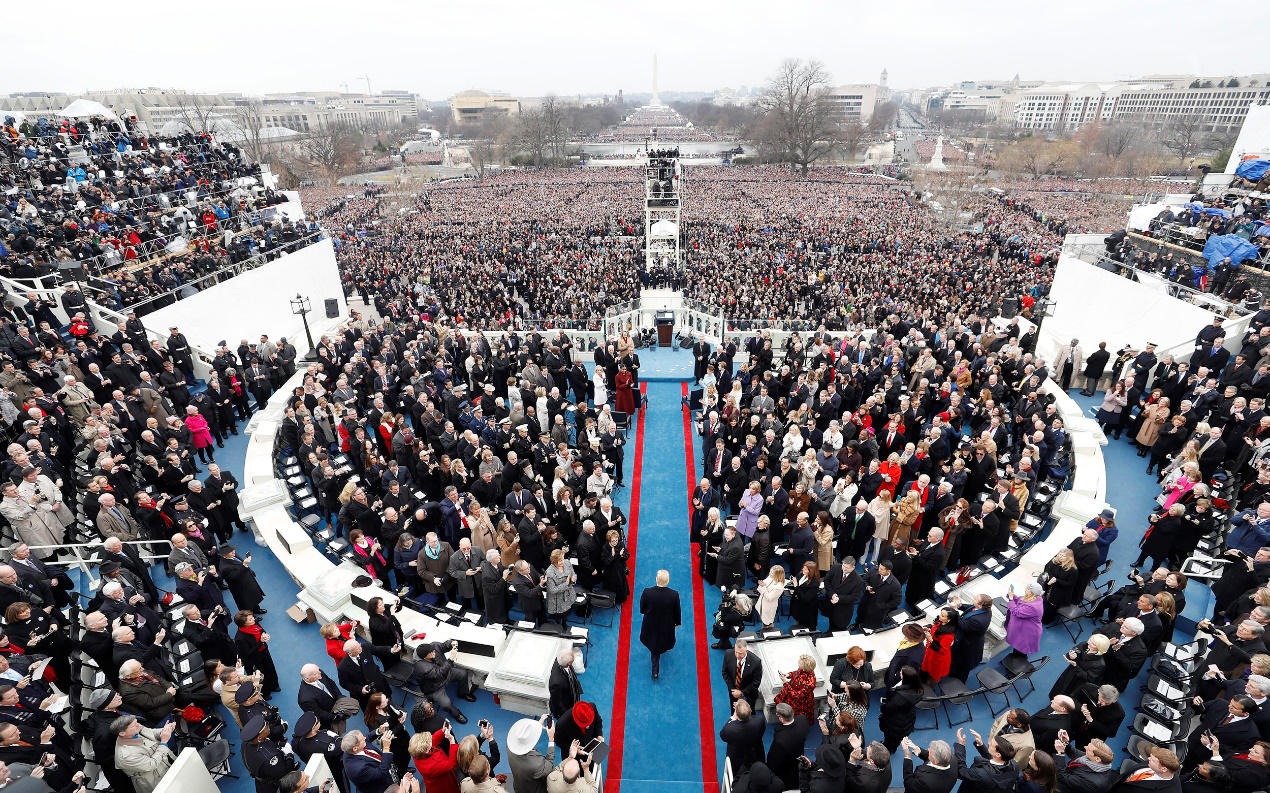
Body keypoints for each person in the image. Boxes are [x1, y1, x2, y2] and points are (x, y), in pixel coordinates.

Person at [112, 715, 176, 793]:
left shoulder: (134, 729)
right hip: (155, 780)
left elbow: (150, 732)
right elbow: (152, 764)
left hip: (165, 765)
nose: (138, 725)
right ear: (122, 733)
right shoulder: (126, 756)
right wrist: (164, 742)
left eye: (136, 722)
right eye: (133, 726)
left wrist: (165, 730)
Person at [638, 569, 680, 681]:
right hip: (667, 624)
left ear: (657, 579)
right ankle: (658, 655)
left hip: (650, 624)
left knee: (653, 647)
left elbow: (642, 608)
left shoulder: (647, 592)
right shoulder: (674, 595)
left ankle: (655, 670)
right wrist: (677, 622)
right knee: (662, 642)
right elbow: (677, 611)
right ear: (668, 581)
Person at [954, 728, 1018, 793]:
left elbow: (961, 771)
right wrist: (981, 744)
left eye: (991, 744)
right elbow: (994, 760)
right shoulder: (1014, 765)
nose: (989, 743)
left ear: (998, 754)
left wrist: (961, 745)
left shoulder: (980, 774)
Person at [766, 702, 810, 791]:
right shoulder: (803, 720)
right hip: (799, 754)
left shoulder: (780, 740)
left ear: (781, 718)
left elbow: (774, 761)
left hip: (787, 766)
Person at [1049, 635, 1109, 700]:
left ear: (1099, 648)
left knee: (1067, 695)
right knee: (1060, 687)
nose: (1089, 643)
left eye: (1093, 644)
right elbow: (1073, 651)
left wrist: (1075, 666)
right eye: (1090, 640)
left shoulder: (1099, 664)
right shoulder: (1083, 644)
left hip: (1078, 682)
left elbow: (1089, 678)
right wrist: (1071, 656)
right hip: (1069, 674)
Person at [507, 717, 556, 793]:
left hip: (519, 785)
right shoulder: (535, 765)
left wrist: (537, 726)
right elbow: (549, 764)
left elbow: (524, 737)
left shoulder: (510, 745)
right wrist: (551, 739)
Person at [880, 665, 923, 753]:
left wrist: (883, 706)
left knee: (889, 738)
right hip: (908, 718)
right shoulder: (918, 689)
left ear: (904, 677)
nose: (899, 674)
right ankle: (894, 749)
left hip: (895, 722)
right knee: (898, 738)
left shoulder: (900, 696)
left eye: (901, 673)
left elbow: (888, 708)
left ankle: (887, 749)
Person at [720, 698, 766, 775]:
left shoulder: (729, 728)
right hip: (755, 752)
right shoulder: (760, 720)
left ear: (736, 714)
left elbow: (723, 736)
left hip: (738, 756)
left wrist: (733, 717)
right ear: (750, 710)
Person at [342, 729, 397, 793]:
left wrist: (379, 730)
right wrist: (386, 747)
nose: (365, 738)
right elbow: (381, 773)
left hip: (387, 774)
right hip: (381, 788)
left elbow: (367, 737)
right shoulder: (358, 769)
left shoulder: (352, 748)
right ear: (355, 748)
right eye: (362, 740)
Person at [1005, 582, 1045, 663]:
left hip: (1027, 634)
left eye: (1028, 589)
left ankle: (1017, 668)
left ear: (1031, 592)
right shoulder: (1033, 598)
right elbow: (1021, 601)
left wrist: (1011, 600)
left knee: (1021, 650)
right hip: (1022, 630)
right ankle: (1015, 661)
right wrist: (1013, 596)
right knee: (1017, 648)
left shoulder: (1033, 607)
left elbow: (1016, 612)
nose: (1025, 589)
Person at [773, 654, 818, 722]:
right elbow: (796, 673)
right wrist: (788, 675)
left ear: (805, 667)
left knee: (794, 717)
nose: (798, 662)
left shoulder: (810, 683)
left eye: (799, 662)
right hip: (790, 694)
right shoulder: (804, 669)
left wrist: (786, 683)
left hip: (799, 703)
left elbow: (797, 696)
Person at [921, 607, 957, 683]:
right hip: (931, 652)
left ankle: (930, 690)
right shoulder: (940, 622)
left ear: (949, 620)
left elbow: (942, 650)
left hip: (937, 658)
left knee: (933, 676)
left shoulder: (949, 635)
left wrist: (930, 639)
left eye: (943, 616)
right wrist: (929, 630)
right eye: (941, 614)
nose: (940, 616)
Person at [723, 639, 763, 708]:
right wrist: (733, 690)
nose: (737, 656)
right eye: (736, 652)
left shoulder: (756, 662)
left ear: (746, 651)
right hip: (733, 693)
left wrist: (741, 693)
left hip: (748, 695)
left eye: (740, 653)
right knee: (735, 710)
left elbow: (756, 682)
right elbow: (725, 672)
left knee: (748, 714)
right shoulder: (728, 654)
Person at [548, 649, 583, 719]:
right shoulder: (556, 683)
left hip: (572, 695)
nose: (574, 657)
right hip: (566, 707)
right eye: (573, 657)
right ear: (569, 663)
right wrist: (568, 716)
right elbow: (557, 704)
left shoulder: (562, 661)